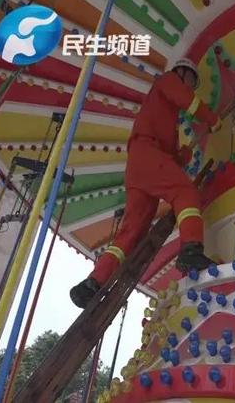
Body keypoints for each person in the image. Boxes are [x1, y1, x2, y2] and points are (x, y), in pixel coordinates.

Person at [70, 58, 222, 308]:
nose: (190, 85)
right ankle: (191, 250)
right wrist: (212, 118)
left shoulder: (164, 116)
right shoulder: (168, 81)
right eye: (190, 80)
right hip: (148, 155)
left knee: (133, 232)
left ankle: (94, 282)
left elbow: (169, 159)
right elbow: (187, 100)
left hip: (140, 165)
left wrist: (183, 156)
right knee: (185, 192)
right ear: (181, 73)